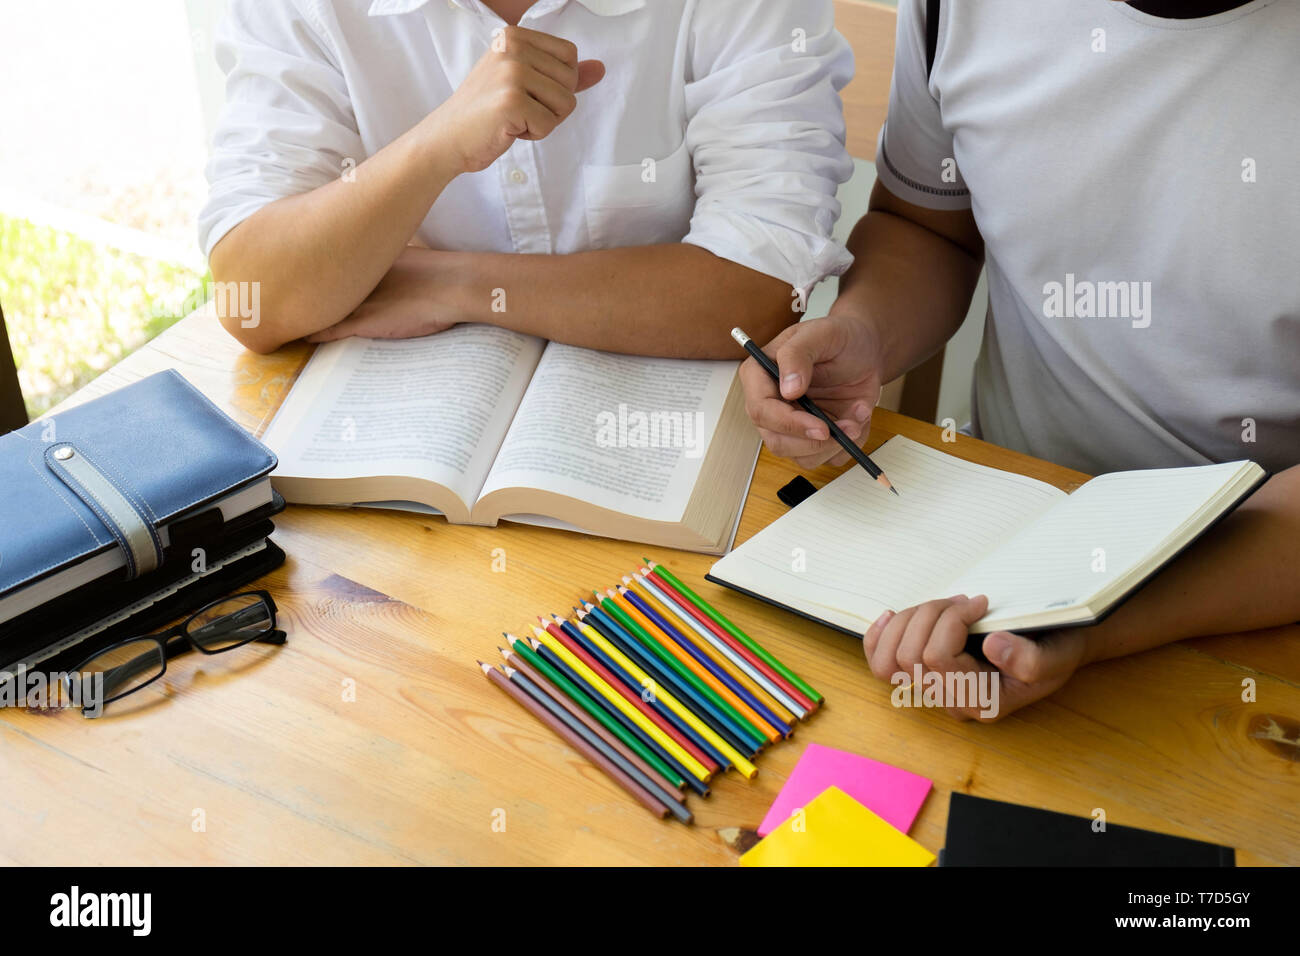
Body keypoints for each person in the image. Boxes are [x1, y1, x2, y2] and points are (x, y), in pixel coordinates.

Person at [739, 0, 1300, 719]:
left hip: (1250, 593)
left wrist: (1090, 623)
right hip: (996, 533)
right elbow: (927, 228)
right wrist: (863, 332)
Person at [198, 0, 856, 357]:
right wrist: (436, 145)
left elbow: (758, 294)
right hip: (404, 438)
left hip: (670, 437)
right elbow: (254, 296)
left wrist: (449, 283)